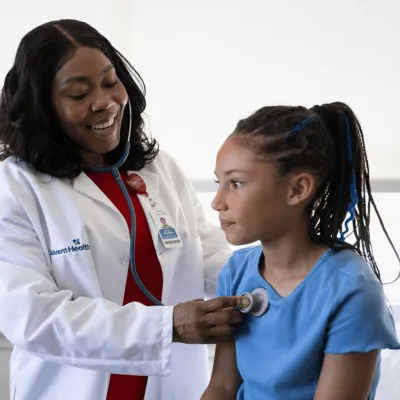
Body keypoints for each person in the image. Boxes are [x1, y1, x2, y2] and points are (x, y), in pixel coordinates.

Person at [0, 19, 249, 400]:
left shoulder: (158, 168)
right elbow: (34, 317)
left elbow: (207, 254)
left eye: (110, 82)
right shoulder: (16, 187)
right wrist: (168, 327)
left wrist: (280, 272)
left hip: (173, 389)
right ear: (42, 107)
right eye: (79, 93)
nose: (104, 102)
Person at [202, 103, 400, 399]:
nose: (218, 202)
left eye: (236, 183)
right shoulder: (236, 271)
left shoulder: (352, 290)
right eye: (220, 183)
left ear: (297, 189)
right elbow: (222, 387)